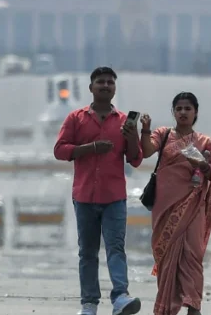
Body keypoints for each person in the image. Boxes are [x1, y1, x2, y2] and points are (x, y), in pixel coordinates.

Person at [53, 66, 144, 315]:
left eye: (110, 82)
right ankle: (89, 304)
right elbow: (59, 150)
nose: (105, 86)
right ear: (91, 87)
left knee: (116, 248)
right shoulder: (76, 118)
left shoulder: (124, 121)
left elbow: (135, 159)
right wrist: (91, 148)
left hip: (114, 197)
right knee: (88, 253)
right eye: (101, 82)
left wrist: (132, 137)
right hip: (84, 196)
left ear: (115, 88)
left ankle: (120, 297)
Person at [139, 92, 211, 315]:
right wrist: (145, 129)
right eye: (179, 108)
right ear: (173, 112)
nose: (183, 112)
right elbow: (146, 151)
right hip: (165, 207)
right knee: (166, 257)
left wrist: (202, 165)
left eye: (188, 108)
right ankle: (166, 308)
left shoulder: (204, 142)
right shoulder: (163, 134)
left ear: (196, 112)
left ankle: (194, 307)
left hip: (193, 206)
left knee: (193, 256)